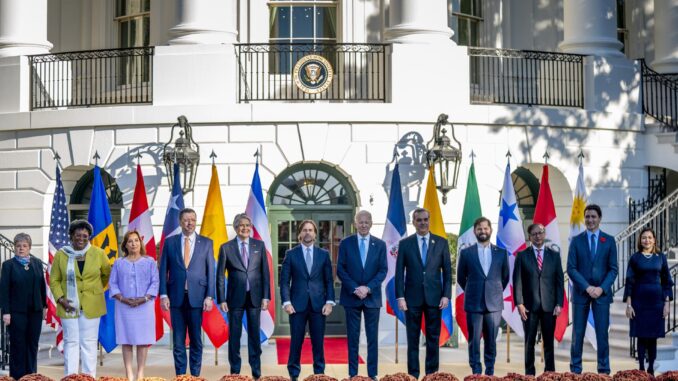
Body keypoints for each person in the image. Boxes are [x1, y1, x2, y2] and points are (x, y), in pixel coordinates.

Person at [49, 219, 111, 377]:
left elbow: (106, 275)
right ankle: (71, 377)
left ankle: (88, 377)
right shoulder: (61, 254)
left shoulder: (99, 253)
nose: (81, 238)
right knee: (71, 342)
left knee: (89, 344)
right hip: (67, 305)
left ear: (89, 236)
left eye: (85, 235)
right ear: (71, 236)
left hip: (92, 305)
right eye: (77, 235)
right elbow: (54, 279)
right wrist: (61, 299)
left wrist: (94, 290)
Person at [395, 207, 452, 378]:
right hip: (411, 299)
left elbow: (448, 272)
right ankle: (413, 374)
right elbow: (399, 272)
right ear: (413, 222)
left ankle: (431, 374)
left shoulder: (441, 242)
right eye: (418, 220)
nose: (422, 223)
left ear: (429, 220)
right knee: (412, 339)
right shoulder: (405, 244)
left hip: (435, 299)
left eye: (425, 219)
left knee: (433, 340)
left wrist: (446, 295)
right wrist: (400, 296)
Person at [159, 208, 215, 376]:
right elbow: (163, 270)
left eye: (192, 219)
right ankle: (181, 376)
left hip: (198, 298)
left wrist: (209, 296)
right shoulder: (170, 242)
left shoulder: (206, 243)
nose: (190, 223)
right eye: (186, 220)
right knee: (178, 341)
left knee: (197, 341)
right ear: (180, 221)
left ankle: (195, 375)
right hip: (175, 298)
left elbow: (210, 271)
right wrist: (163, 294)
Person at [217, 213, 271, 380]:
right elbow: (220, 275)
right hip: (234, 299)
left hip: (255, 297)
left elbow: (265, 273)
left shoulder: (259, 246)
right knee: (234, 335)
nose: (245, 228)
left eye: (248, 225)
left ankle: (256, 372)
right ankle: (235, 372)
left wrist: (265, 297)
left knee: (254, 335)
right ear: (236, 228)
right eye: (241, 225)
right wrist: (221, 299)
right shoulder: (226, 247)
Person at [279, 220, 335, 381]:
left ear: (315, 234)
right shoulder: (291, 254)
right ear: (299, 234)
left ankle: (319, 374)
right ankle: (294, 374)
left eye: (311, 230)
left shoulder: (323, 254)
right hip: (297, 306)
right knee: (296, 342)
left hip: (319, 306)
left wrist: (329, 302)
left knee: (318, 343)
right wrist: (286, 302)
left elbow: (329, 281)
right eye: (305, 230)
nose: (308, 233)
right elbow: (284, 282)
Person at [567, 204, 618, 374]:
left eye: (593, 216)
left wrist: (601, 289)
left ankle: (603, 370)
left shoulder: (609, 240)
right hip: (582, 294)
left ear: (599, 218)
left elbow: (613, 269)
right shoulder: (576, 240)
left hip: (602, 295)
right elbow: (571, 268)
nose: (590, 220)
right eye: (587, 216)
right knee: (578, 334)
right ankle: (575, 369)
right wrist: (588, 287)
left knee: (602, 334)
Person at [337, 210, 387, 380]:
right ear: (355, 223)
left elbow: (383, 270)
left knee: (372, 339)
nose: (364, 225)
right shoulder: (346, 243)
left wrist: (368, 288)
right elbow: (340, 269)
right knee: (353, 338)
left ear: (371, 223)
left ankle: (372, 374)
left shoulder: (380, 244)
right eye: (361, 222)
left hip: (372, 298)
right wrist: (355, 288)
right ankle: (353, 374)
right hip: (351, 297)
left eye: (367, 222)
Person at [456, 217, 509, 376]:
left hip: (494, 304)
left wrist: (493, 291)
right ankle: (476, 372)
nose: (483, 231)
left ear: (490, 230)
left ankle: (490, 372)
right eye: (479, 229)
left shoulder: (501, 253)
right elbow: (461, 277)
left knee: (491, 340)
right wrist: (475, 291)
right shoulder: (466, 253)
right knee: (474, 341)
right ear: (475, 231)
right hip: (474, 303)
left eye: (485, 228)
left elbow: (505, 277)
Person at [513, 223, 564, 375]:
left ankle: (550, 373)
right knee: (529, 343)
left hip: (549, 306)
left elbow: (559, 282)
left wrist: (559, 303)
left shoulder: (554, 256)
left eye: (540, 232)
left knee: (549, 342)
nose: (538, 236)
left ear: (545, 234)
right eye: (534, 234)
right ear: (530, 237)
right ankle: (529, 373)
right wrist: (519, 303)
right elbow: (517, 282)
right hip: (529, 307)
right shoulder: (522, 256)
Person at [109, 230, 160, 381]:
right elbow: (113, 283)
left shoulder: (150, 262)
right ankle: (129, 373)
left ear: (140, 243)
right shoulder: (119, 263)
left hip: (144, 306)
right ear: (125, 245)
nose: (134, 244)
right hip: (124, 307)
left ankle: (140, 373)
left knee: (142, 340)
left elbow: (155, 282)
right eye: (130, 241)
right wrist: (123, 299)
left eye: (136, 240)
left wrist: (143, 299)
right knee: (126, 340)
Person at [624, 227, 674, 375]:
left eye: (650, 237)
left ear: (654, 240)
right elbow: (629, 282)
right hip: (639, 302)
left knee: (652, 337)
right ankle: (641, 368)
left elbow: (667, 281)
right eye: (644, 237)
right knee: (641, 336)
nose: (647, 240)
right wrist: (629, 304)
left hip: (656, 302)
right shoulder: (635, 258)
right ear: (640, 240)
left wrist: (667, 303)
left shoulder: (661, 257)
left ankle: (651, 368)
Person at [0, 233, 47, 379]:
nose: (21, 248)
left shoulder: (37, 263)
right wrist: (6, 312)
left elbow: (41, 286)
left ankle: (31, 375)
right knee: (18, 345)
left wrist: (44, 306)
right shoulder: (8, 265)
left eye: (24, 246)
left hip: (35, 311)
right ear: (14, 247)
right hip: (16, 313)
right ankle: (18, 376)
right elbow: (4, 290)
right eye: (18, 246)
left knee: (32, 345)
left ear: (29, 248)